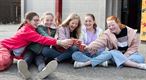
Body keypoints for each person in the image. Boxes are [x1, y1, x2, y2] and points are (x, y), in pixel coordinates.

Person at [0, 12, 73, 80]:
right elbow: (42, 38)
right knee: (4, 61)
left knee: (6, 64)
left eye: (38, 20)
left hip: (13, 52)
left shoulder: (33, 29)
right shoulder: (27, 30)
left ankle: (43, 71)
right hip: (4, 46)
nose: (37, 22)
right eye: (35, 20)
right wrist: (59, 42)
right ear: (28, 21)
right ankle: (23, 70)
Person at [79, 16, 146, 70]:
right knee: (113, 52)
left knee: (140, 58)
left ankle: (112, 61)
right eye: (109, 26)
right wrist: (88, 47)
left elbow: (134, 47)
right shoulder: (107, 33)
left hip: (129, 55)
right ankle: (137, 66)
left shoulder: (130, 32)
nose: (111, 27)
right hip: (115, 54)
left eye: (112, 25)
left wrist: (124, 56)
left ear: (118, 23)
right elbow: (99, 42)